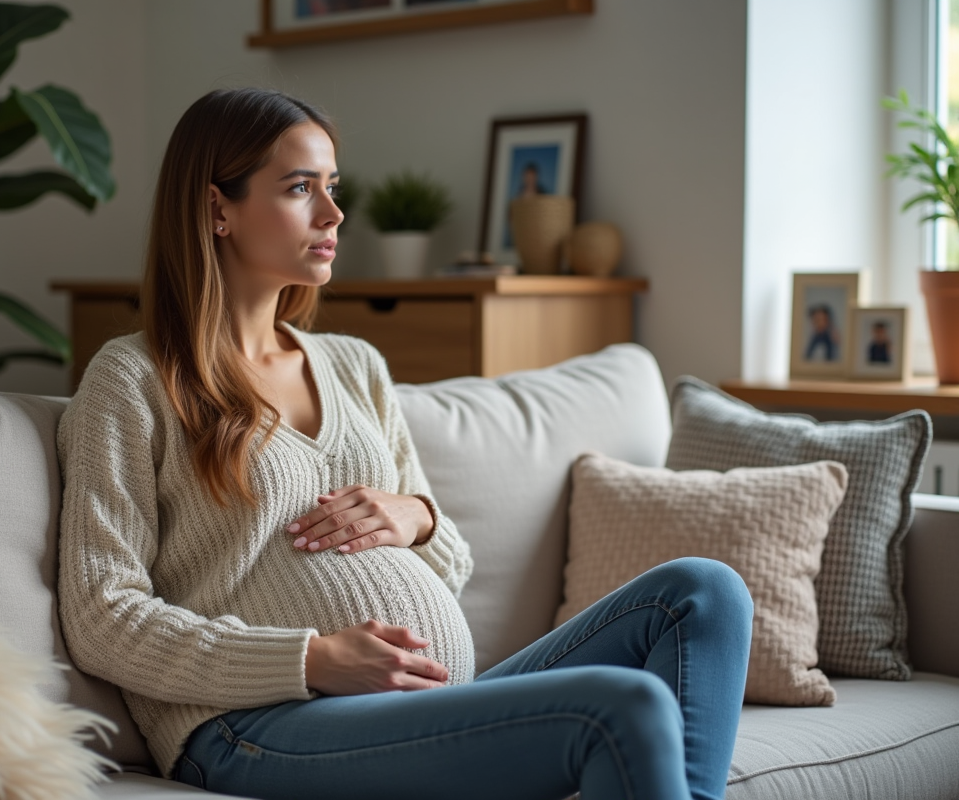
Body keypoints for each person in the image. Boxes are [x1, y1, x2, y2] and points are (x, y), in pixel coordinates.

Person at [57, 87, 753, 800]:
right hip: (253, 725)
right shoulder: (134, 379)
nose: (333, 214)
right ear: (217, 209)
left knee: (704, 594)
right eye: (299, 188)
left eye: (332, 187)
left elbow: (451, 567)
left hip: (425, 704)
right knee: (623, 706)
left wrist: (417, 518)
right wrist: (310, 659)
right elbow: (103, 616)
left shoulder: (355, 366)